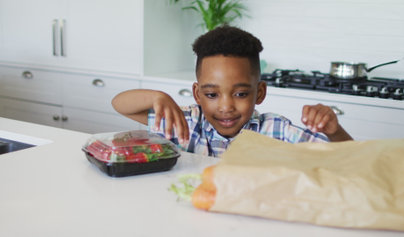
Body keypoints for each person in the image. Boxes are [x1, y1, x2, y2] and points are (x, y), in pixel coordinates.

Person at [112, 26, 352, 157]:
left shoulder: (277, 131)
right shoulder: (185, 123)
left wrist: (335, 131)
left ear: (259, 93)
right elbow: (119, 104)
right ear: (197, 94)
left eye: (240, 94)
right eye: (212, 95)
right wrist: (157, 97)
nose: (226, 107)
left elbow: (348, 160)